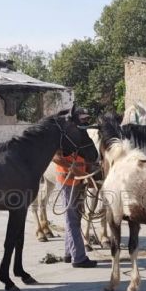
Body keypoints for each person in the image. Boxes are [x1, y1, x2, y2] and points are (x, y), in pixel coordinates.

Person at [53, 108, 97, 268]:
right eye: (82, 119)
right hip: (68, 181)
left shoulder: (80, 136)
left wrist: (88, 174)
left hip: (78, 181)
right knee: (72, 219)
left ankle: (69, 253)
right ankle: (79, 258)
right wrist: (80, 172)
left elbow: (86, 157)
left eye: (86, 119)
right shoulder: (62, 136)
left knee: (75, 218)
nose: (85, 121)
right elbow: (56, 157)